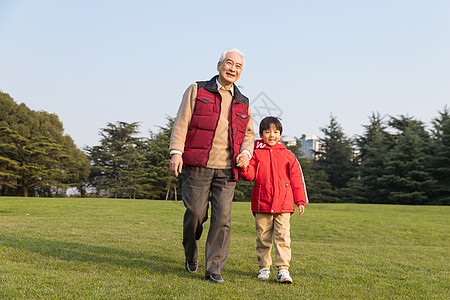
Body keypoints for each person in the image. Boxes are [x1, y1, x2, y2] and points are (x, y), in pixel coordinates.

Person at [169, 48, 255, 284]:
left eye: (238, 66)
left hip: (227, 170)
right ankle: (190, 252)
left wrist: (246, 152)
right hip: (198, 165)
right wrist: (176, 153)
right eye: (229, 63)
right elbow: (182, 122)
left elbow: (249, 134)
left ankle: (214, 268)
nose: (233, 69)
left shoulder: (242, 101)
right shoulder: (197, 89)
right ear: (218, 66)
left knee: (222, 220)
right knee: (196, 213)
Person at [238, 116, 308, 284]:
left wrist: (300, 201)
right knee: (263, 237)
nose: (272, 135)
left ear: (281, 134)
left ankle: (283, 269)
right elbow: (250, 175)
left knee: (283, 237)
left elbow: (297, 179)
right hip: (262, 203)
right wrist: (243, 167)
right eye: (267, 132)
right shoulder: (255, 154)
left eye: (276, 132)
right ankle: (264, 267)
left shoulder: (288, 156)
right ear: (261, 134)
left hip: (284, 204)